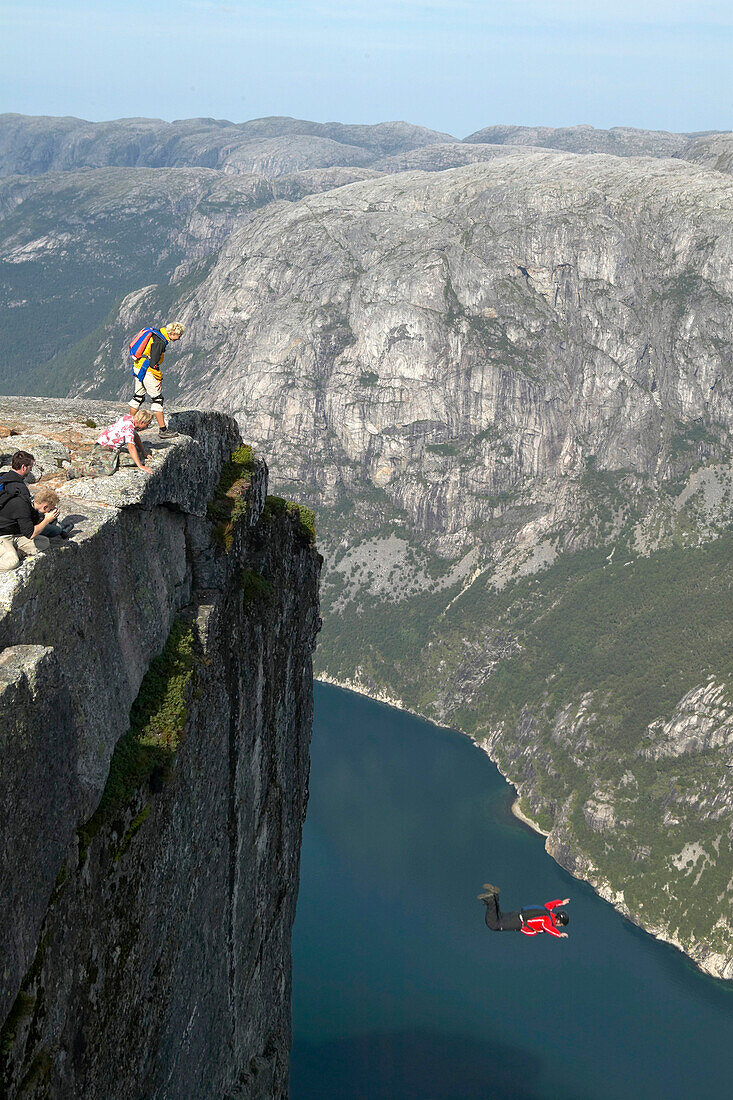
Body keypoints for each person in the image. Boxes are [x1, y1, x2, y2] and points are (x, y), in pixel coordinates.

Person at [0, 450, 58, 571]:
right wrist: (46, 519)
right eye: (30, 467)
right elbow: (30, 533)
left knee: (44, 542)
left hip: (15, 530)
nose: (30, 470)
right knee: (12, 562)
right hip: (3, 534)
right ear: (23, 467)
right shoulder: (20, 491)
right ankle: (11, 553)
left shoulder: (3, 477)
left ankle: (15, 550)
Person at [128, 322, 184, 439]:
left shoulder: (156, 333)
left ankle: (129, 425)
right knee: (157, 399)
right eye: (178, 336)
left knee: (138, 397)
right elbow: (154, 363)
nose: (179, 338)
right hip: (147, 370)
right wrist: (158, 379)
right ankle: (163, 430)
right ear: (172, 333)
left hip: (138, 367)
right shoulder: (160, 342)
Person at [66, 409, 154, 479]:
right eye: (147, 424)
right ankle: (76, 471)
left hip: (110, 448)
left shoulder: (129, 418)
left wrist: (143, 452)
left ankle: (103, 461)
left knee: (136, 458)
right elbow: (131, 446)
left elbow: (136, 436)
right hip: (103, 448)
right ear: (142, 422)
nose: (147, 426)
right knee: (108, 470)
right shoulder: (129, 428)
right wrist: (140, 466)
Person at [478, 884, 570, 938]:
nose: (558, 926)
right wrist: (559, 934)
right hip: (519, 923)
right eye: (560, 925)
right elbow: (548, 928)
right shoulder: (547, 921)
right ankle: (490, 899)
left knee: (499, 916)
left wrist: (561, 902)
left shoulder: (548, 911)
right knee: (494, 925)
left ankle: (494, 896)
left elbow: (549, 904)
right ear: (558, 921)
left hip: (518, 914)